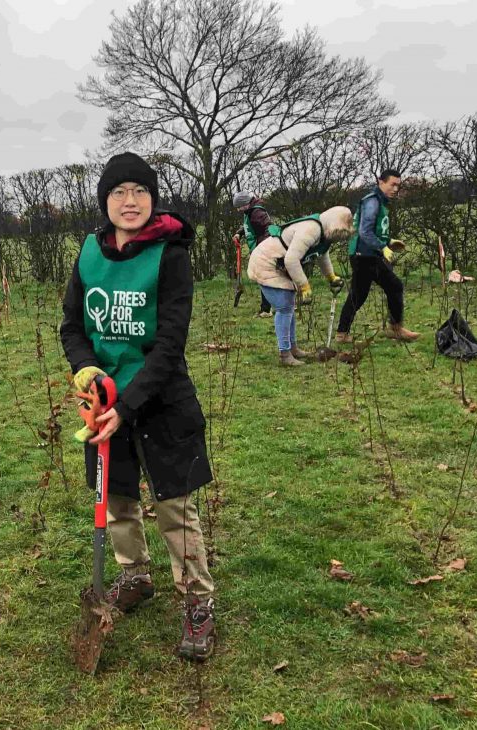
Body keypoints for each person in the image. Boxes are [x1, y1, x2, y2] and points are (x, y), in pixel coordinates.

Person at [60, 152, 216, 661]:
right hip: (102, 402)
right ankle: (135, 575)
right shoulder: (88, 253)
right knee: (117, 498)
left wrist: (126, 407)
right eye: (119, 193)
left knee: (175, 505)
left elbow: (170, 344)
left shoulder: (170, 254)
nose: (130, 202)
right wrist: (88, 374)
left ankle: (196, 601)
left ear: (153, 199)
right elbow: (72, 327)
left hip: (160, 399)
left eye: (140, 192)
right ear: (105, 202)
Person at [246, 208, 352, 366]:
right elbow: (291, 260)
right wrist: (304, 286)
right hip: (266, 263)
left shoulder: (322, 234)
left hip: (278, 264)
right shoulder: (310, 229)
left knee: (288, 306)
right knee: (283, 307)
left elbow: (321, 255)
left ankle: (293, 348)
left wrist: (331, 276)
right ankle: (285, 354)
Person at [336, 169, 419, 343]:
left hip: (364, 254)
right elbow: (365, 232)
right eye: (392, 184)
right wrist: (383, 247)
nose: (396, 189)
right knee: (394, 286)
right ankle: (396, 329)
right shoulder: (372, 201)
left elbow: (375, 230)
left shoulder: (379, 202)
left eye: (398, 185)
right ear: (381, 182)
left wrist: (389, 241)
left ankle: (342, 334)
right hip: (365, 255)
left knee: (358, 295)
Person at [232, 191, 274, 317]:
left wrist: (261, 249)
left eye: (239, 206)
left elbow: (268, 229)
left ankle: (266, 310)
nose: (239, 209)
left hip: (263, 249)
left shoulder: (257, 213)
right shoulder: (249, 212)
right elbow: (248, 225)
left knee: (264, 278)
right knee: (263, 278)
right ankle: (269, 307)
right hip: (258, 249)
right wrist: (240, 232)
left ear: (245, 203)